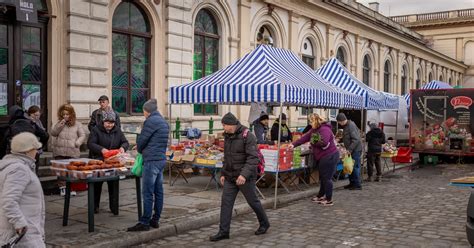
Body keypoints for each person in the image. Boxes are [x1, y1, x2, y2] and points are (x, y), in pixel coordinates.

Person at [210, 112, 269, 242]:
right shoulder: (227, 136)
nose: (223, 127)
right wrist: (224, 173)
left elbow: (253, 158)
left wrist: (243, 175)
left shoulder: (248, 136)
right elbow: (227, 157)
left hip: (245, 177)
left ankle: (264, 223)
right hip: (230, 177)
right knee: (226, 203)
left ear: (231, 124)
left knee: (253, 202)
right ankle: (223, 231)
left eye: (224, 125)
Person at [127, 99, 169, 232]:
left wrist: (139, 148)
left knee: (147, 192)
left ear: (147, 111)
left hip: (151, 161)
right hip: (160, 159)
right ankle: (155, 219)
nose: (143, 114)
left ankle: (144, 222)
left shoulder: (150, 121)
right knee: (158, 191)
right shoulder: (163, 121)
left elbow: (142, 141)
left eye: (144, 111)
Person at [0, 132, 45, 247]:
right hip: (24, 234)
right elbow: (9, 200)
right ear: (28, 150)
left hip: (26, 229)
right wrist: (19, 223)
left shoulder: (17, 166)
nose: (37, 152)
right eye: (36, 149)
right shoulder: (19, 169)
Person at [290, 113, 339, 206]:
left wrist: (313, 141)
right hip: (323, 156)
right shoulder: (314, 130)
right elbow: (305, 137)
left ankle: (329, 199)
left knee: (327, 178)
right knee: (323, 178)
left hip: (329, 156)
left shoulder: (325, 129)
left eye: (311, 121)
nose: (310, 123)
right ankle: (321, 195)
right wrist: (293, 144)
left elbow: (323, 142)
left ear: (316, 121)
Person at [88, 111, 129, 214]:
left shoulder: (117, 130)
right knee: (96, 185)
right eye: (108, 122)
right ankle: (94, 207)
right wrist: (102, 149)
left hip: (113, 162)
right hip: (99, 161)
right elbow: (90, 143)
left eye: (112, 122)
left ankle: (114, 208)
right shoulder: (96, 130)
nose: (110, 125)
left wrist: (123, 148)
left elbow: (125, 142)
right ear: (103, 121)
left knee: (113, 184)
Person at [50, 104, 86, 196]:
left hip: (72, 151)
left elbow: (82, 135)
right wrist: (60, 125)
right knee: (61, 170)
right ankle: (62, 188)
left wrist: (78, 143)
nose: (65, 116)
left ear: (71, 114)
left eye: (67, 114)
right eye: (63, 114)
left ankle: (71, 188)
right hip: (60, 150)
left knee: (72, 171)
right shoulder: (59, 123)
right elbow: (53, 133)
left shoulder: (78, 124)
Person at [336, 113, 362, 190]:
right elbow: (348, 137)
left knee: (355, 167)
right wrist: (340, 140)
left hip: (355, 150)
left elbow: (356, 139)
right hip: (351, 150)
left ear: (342, 120)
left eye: (339, 122)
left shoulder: (351, 126)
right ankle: (352, 183)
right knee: (350, 167)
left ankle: (357, 185)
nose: (339, 124)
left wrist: (349, 150)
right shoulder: (347, 126)